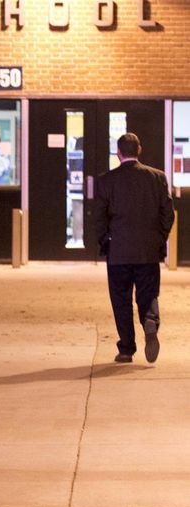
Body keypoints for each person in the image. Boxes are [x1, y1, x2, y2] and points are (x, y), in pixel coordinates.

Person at [93, 132, 174, 364]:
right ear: (139, 150)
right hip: (148, 250)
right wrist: (159, 239)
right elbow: (167, 214)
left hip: (118, 251)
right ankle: (150, 319)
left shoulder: (106, 181)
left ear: (118, 153)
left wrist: (106, 241)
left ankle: (127, 348)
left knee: (121, 299)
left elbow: (99, 218)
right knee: (148, 293)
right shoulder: (157, 177)